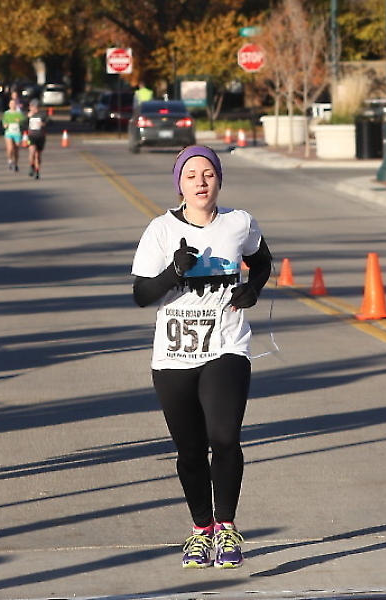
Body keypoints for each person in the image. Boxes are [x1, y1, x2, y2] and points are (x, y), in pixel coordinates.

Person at [131, 146, 272, 569]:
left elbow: (262, 262)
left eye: (208, 173)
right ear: (180, 183)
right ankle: (201, 530)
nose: (200, 182)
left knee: (224, 437)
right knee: (191, 451)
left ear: (219, 180)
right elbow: (142, 295)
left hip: (227, 345)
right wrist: (172, 272)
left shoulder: (239, 223)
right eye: (191, 175)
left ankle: (226, 527)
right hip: (173, 355)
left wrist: (253, 289)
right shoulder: (160, 230)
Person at [2, 99, 26, 171]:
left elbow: (24, 121)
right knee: (10, 148)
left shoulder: (19, 113)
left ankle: (16, 164)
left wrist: (20, 121)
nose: (12, 105)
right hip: (9, 133)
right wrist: (5, 125)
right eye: (11, 104)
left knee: (16, 149)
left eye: (14, 104)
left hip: (17, 133)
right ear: (9, 105)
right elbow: (4, 122)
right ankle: (9, 160)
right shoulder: (6, 113)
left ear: (16, 105)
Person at [26, 99, 48, 179]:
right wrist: (27, 117)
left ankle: (37, 171)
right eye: (32, 107)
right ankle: (31, 166)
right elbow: (23, 124)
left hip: (40, 136)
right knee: (32, 151)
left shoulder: (42, 114)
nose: (33, 109)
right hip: (31, 136)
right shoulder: (29, 115)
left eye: (35, 107)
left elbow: (50, 122)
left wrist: (43, 124)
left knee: (38, 155)